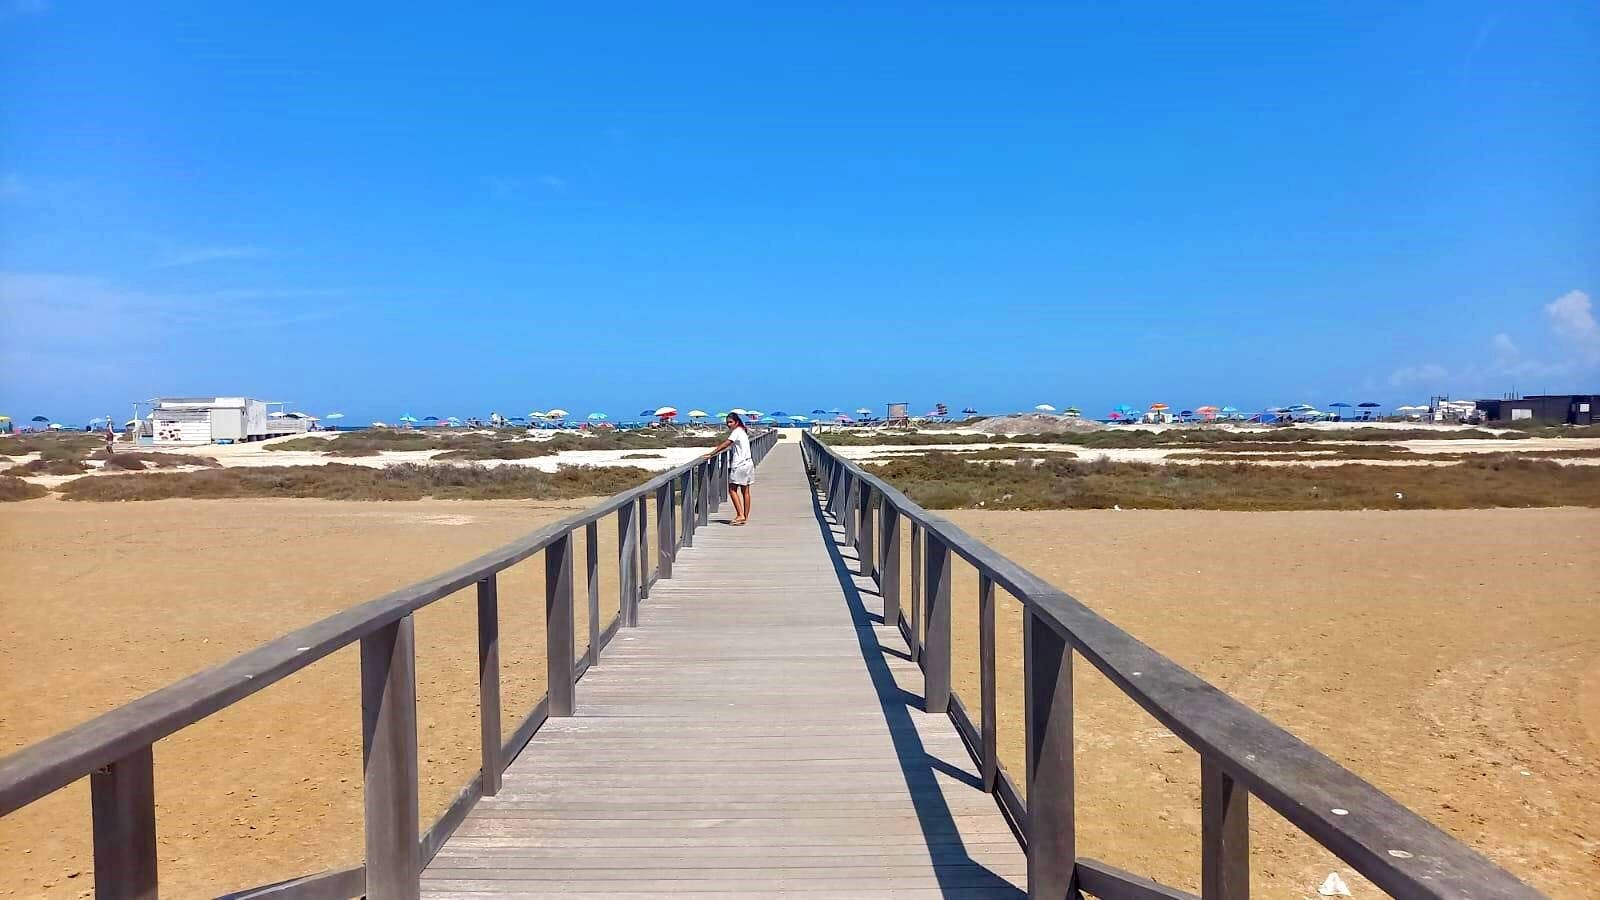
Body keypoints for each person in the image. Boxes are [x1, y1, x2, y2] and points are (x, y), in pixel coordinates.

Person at [706, 412, 754, 525]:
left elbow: (726, 444)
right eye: (727, 422)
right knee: (745, 491)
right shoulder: (742, 431)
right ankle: (744, 517)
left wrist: (712, 453)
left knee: (732, 489)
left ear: (736, 422)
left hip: (739, 465)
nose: (728, 424)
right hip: (748, 464)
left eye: (731, 422)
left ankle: (740, 515)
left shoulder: (736, 432)